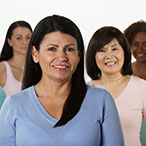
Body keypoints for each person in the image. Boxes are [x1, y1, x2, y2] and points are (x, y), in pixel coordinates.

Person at [0, 15, 124, 146]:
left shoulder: (101, 100)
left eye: (69, 49)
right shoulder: (14, 105)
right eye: (52, 49)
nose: (61, 57)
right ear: (35, 54)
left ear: (79, 55)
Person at [86, 26, 146, 146]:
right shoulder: (83, 91)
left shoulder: (141, 87)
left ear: (125, 52)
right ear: (93, 55)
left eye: (114, 49)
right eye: (102, 50)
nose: (109, 56)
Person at [124, 20, 146, 146]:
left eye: (145, 44)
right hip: (131, 133)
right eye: (135, 44)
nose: (140, 49)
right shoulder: (125, 72)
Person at [0, 20, 32, 96]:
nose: (25, 42)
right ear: (9, 41)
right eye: (19, 38)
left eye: (28, 38)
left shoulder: (40, 68)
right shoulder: (2, 68)